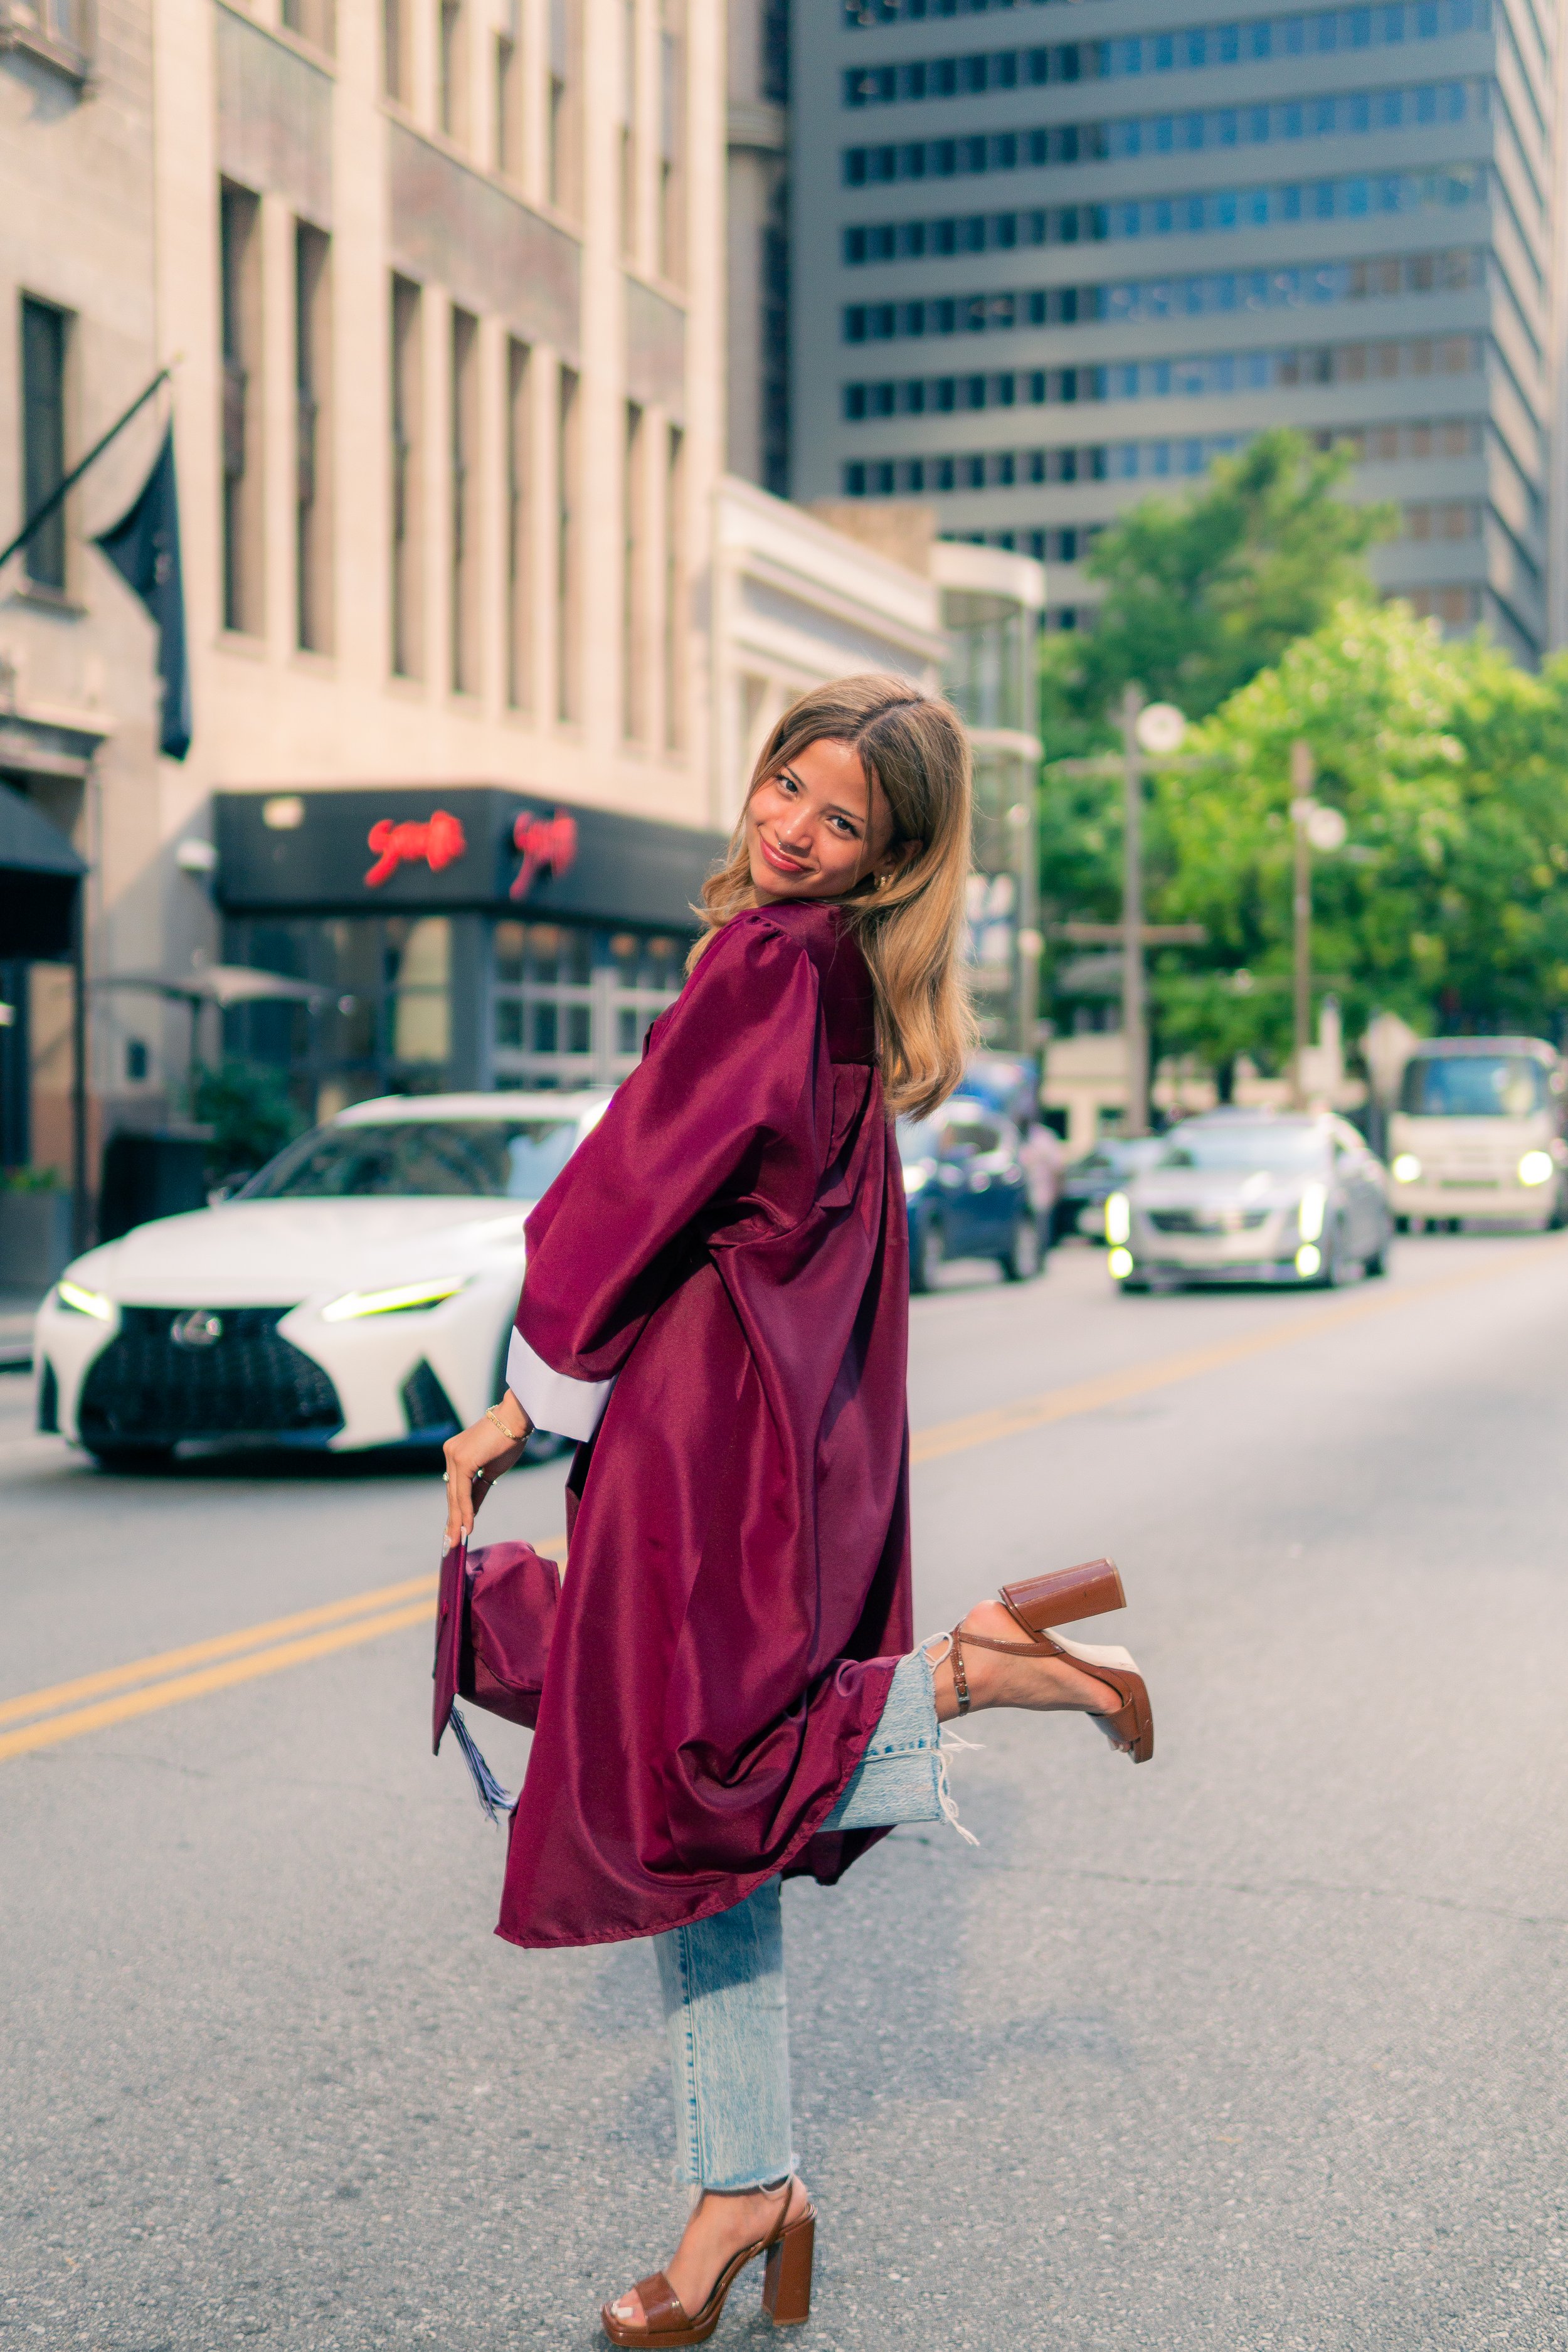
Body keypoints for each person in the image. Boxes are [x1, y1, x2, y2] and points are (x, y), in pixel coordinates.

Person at [441, 674, 1153, 2348]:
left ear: (888, 861)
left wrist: (518, 1401)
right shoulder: (820, 973)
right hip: (774, 1429)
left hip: (709, 1436)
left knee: (699, 1781)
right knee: (707, 1815)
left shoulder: (769, 961)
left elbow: (636, 1180)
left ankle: (978, 1670)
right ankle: (745, 2188)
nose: (796, 831)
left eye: (843, 826)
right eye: (790, 788)